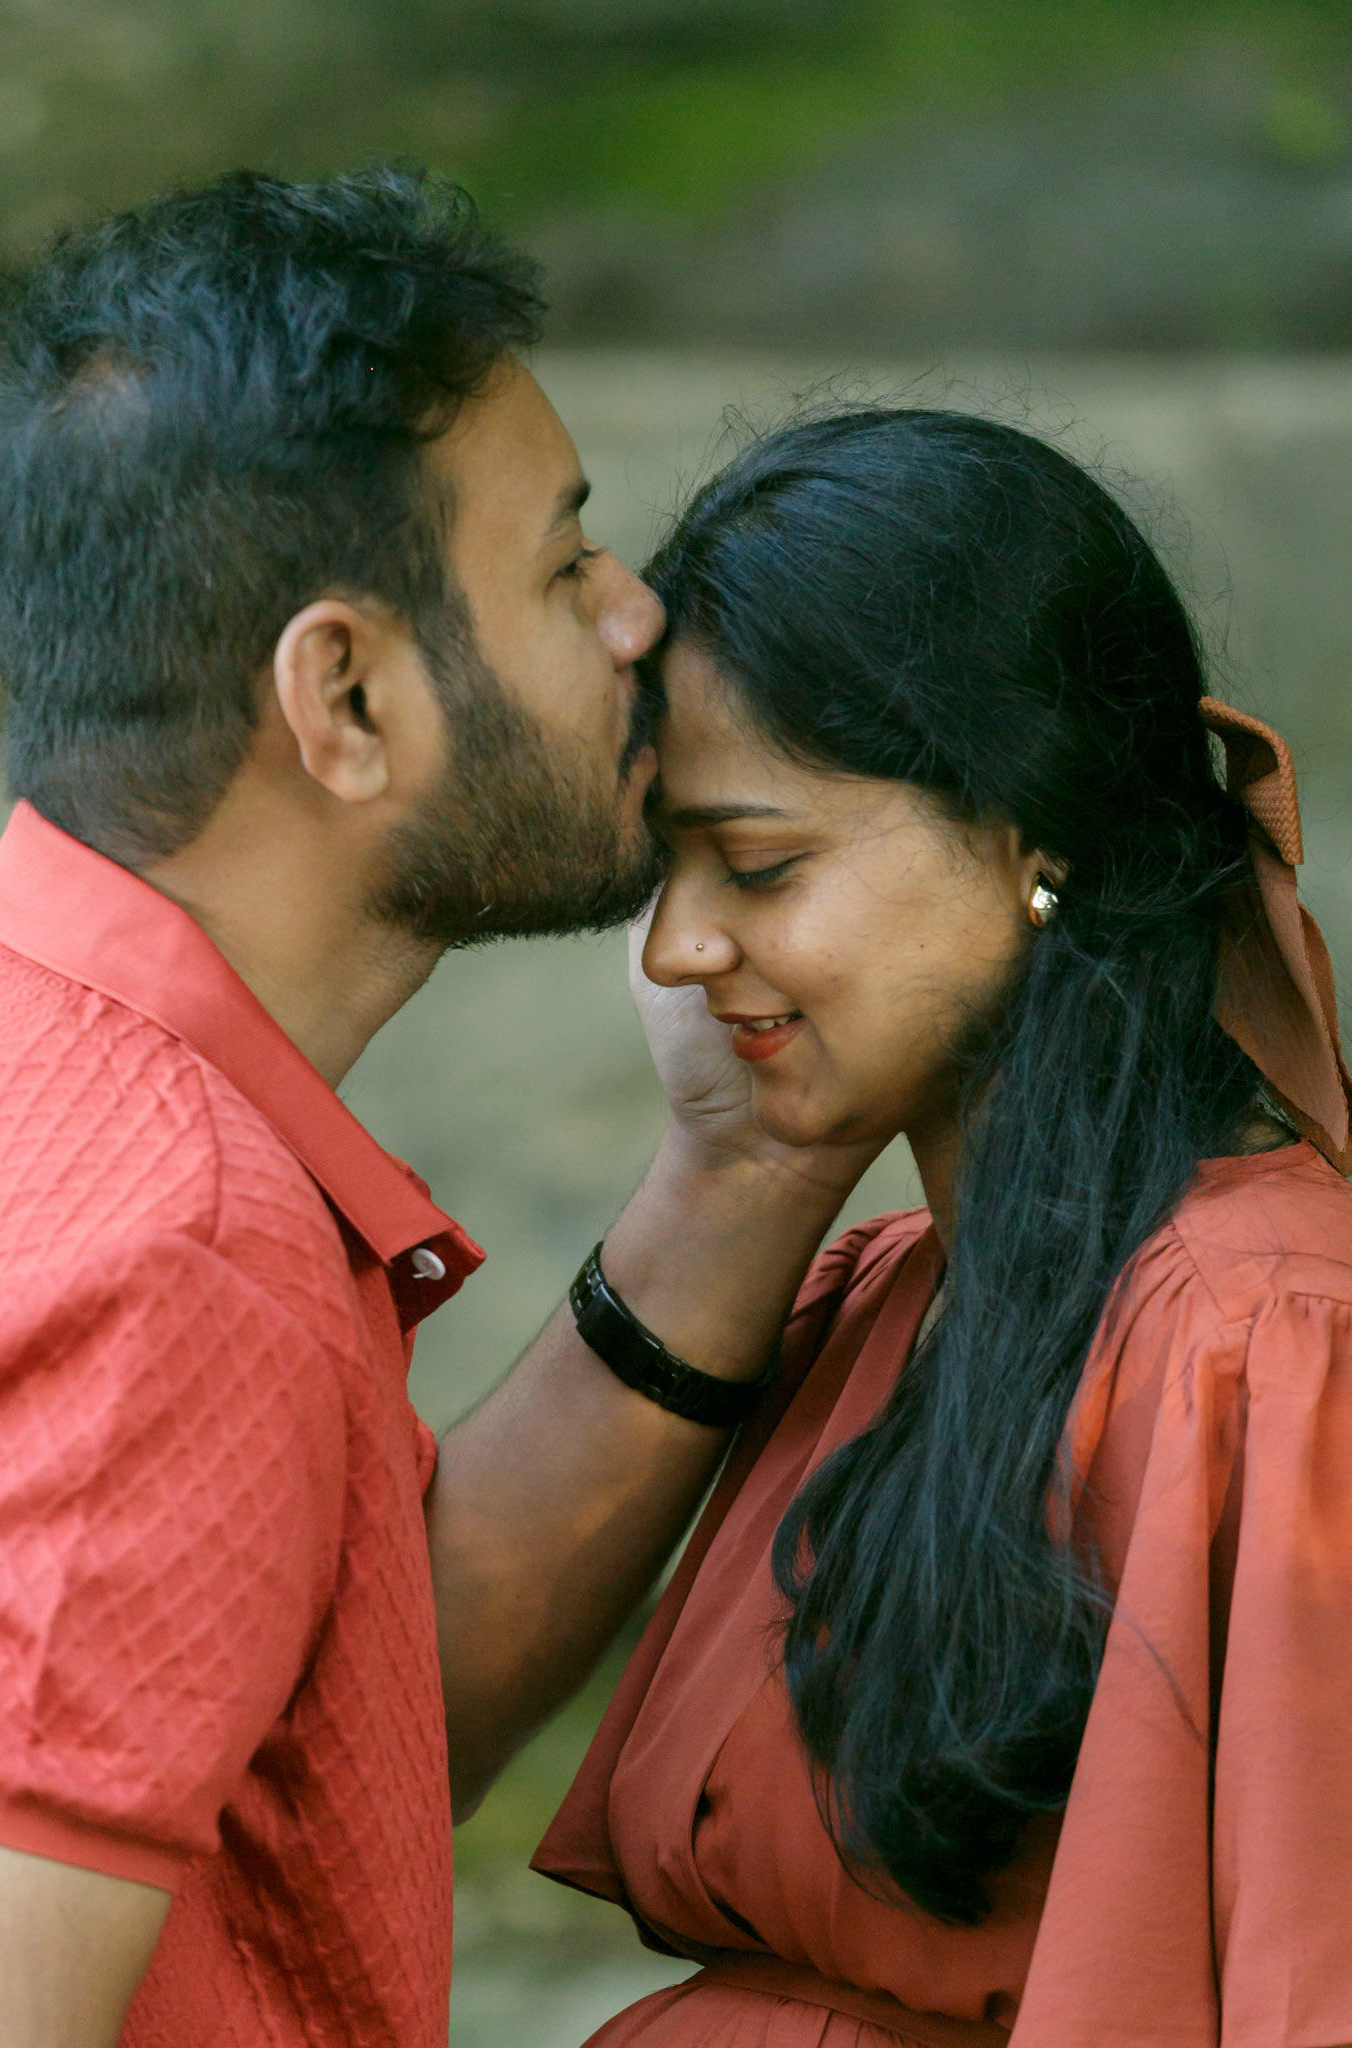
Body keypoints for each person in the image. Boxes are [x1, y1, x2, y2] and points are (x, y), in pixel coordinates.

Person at [0, 170, 881, 2047]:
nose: (636, 617)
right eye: (562, 567)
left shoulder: (47, 1055)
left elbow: (321, 1723)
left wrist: (746, 1164)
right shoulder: (176, 1259)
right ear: (345, 697)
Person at [533, 407, 1352, 2048]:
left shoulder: (1268, 1343)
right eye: (662, 875)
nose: (677, 948)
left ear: (1030, 840)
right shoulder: (881, 1303)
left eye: (755, 863)